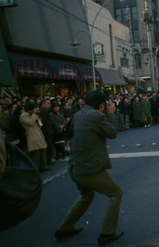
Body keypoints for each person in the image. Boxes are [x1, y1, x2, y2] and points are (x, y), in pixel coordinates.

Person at [55, 90, 124, 244]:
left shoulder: (77, 115)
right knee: (116, 194)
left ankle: (65, 228)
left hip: (74, 167)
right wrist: (112, 113)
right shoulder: (96, 115)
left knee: (87, 195)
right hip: (89, 169)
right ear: (101, 104)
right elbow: (112, 132)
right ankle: (107, 233)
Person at [19, 103, 48, 172]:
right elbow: (30, 122)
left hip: (38, 133)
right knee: (36, 153)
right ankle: (35, 168)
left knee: (43, 150)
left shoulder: (33, 115)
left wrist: (36, 115)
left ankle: (43, 166)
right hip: (32, 135)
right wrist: (34, 115)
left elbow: (40, 124)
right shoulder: (23, 116)